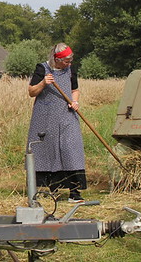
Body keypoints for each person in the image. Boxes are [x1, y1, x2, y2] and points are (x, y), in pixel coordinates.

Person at [27, 43, 86, 202]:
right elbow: (31, 92)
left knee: (71, 149)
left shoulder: (71, 70)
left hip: (67, 115)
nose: (69, 64)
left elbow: (75, 90)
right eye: (66, 62)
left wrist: (74, 101)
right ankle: (54, 191)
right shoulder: (42, 69)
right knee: (49, 151)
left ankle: (75, 193)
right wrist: (43, 83)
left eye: (70, 61)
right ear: (57, 59)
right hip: (46, 116)